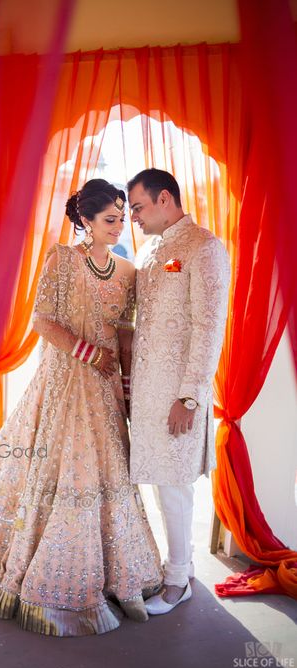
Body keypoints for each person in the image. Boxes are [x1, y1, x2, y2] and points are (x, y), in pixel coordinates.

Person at [0, 178, 162, 636]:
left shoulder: (127, 272)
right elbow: (42, 321)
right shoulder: (62, 259)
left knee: (106, 476)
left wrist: (125, 384)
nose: (120, 226)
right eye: (110, 219)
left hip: (102, 393)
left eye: (123, 217)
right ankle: (36, 579)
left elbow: (124, 328)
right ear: (85, 220)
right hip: (62, 384)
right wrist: (89, 354)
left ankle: (120, 579)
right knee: (58, 472)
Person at [127, 168, 230, 615]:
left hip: (177, 395)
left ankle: (177, 582)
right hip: (147, 393)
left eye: (138, 207)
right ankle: (180, 566)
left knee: (174, 487)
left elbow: (209, 327)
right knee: (160, 483)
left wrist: (190, 396)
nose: (133, 218)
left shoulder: (203, 247)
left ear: (164, 198)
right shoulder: (154, 250)